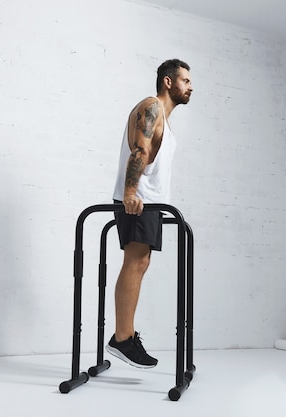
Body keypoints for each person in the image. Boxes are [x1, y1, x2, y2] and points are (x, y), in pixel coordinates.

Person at [106, 59, 193, 368]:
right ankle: (122, 338)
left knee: (141, 263)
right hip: (138, 201)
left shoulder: (165, 120)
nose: (190, 86)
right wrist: (130, 193)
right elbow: (138, 149)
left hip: (151, 203)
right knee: (135, 261)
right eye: (185, 80)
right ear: (168, 82)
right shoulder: (152, 107)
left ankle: (124, 337)